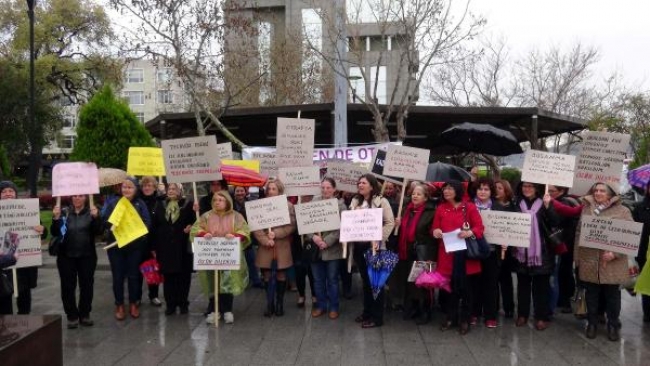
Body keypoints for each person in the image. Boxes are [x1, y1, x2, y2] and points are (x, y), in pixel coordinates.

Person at [573, 183, 633, 340]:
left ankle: (613, 325)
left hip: (612, 262)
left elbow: (630, 236)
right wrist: (577, 257)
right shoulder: (587, 209)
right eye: (596, 190)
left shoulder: (623, 211)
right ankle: (592, 323)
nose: (598, 193)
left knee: (612, 295)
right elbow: (579, 233)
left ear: (610, 194)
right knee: (591, 294)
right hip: (589, 259)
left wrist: (615, 253)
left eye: (602, 191)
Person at [191, 190, 250, 324]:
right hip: (211, 255)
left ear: (227, 201)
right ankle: (214, 310)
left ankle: (227, 309)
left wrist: (235, 236)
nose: (217, 202)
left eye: (220, 200)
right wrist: (202, 234)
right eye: (215, 200)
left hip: (228, 255)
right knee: (213, 282)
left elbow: (245, 231)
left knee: (227, 282)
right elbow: (196, 229)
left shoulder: (236, 216)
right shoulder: (206, 216)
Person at [432, 180, 483, 335]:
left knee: (466, 290)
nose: (446, 191)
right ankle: (450, 317)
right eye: (445, 189)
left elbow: (479, 228)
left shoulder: (469, 207)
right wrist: (436, 231)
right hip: (447, 254)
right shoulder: (441, 208)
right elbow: (434, 228)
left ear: (458, 191)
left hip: (465, 256)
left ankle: (465, 320)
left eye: (450, 189)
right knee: (450, 290)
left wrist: (469, 232)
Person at [349, 174, 395, 328]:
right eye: (359, 182)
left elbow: (390, 222)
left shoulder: (382, 201)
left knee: (376, 283)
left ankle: (377, 318)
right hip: (359, 246)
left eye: (364, 182)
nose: (360, 185)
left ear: (371, 185)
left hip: (375, 247)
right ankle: (367, 312)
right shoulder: (355, 201)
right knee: (365, 282)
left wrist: (378, 238)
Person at [51, 194, 102, 328]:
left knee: (87, 285)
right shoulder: (64, 212)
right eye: (75, 196)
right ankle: (72, 315)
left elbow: (99, 231)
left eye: (80, 196)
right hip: (66, 256)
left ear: (85, 198)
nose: (77, 198)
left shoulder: (91, 211)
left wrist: (96, 217)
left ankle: (85, 314)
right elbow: (55, 232)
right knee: (67, 286)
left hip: (87, 256)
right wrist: (56, 218)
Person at [103, 177, 151, 320]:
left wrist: (135, 232)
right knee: (117, 276)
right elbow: (105, 222)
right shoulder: (113, 203)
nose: (126, 190)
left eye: (130, 187)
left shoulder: (140, 204)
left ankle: (133, 303)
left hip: (134, 247)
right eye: (124, 187)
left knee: (134, 276)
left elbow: (147, 223)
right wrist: (111, 223)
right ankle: (119, 304)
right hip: (115, 246)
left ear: (135, 189)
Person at [513, 182, 558, 331]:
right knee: (523, 286)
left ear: (537, 188)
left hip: (542, 253)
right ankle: (522, 315)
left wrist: (548, 206)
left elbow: (555, 222)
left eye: (530, 186)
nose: (527, 189)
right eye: (524, 186)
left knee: (541, 287)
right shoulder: (516, 203)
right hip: (521, 252)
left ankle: (541, 317)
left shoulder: (545, 202)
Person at [0, 180, 46, 315]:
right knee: (3, 298)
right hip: (3, 267)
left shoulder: (27, 209)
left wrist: (41, 229)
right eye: (3, 191)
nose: (8, 194)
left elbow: (42, 233)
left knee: (24, 297)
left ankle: (25, 325)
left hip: (24, 265)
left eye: (10, 191)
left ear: (15, 193)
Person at [395, 182, 437, 325]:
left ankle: (426, 310)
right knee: (411, 282)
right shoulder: (406, 210)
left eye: (419, 194)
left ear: (426, 197)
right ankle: (413, 308)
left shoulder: (431, 212)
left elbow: (432, 235)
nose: (415, 196)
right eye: (413, 193)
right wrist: (398, 224)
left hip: (424, 252)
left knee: (424, 283)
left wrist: (431, 257)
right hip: (408, 251)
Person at [253, 178, 296, 317]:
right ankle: (269, 303)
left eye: (274, 189)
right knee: (266, 275)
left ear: (279, 190)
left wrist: (276, 233)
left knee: (280, 274)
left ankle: (279, 303)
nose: (271, 191)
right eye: (269, 189)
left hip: (281, 246)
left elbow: (291, 225)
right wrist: (265, 240)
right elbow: (256, 227)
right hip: (266, 247)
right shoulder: (259, 205)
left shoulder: (288, 205)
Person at [151, 183, 195, 316]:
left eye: (174, 189)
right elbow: (154, 226)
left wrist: (191, 225)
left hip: (182, 247)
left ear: (180, 191)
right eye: (169, 188)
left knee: (183, 276)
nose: (171, 191)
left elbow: (195, 222)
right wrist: (153, 246)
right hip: (165, 247)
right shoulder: (160, 205)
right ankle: (170, 304)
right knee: (168, 277)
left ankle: (183, 303)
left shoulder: (188, 205)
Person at [308, 177, 347, 320]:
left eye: (328, 187)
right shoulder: (313, 203)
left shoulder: (341, 206)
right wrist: (314, 237)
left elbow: (342, 227)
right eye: (323, 187)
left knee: (332, 280)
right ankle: (321, 306)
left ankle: (334, 307)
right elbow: (306, 223)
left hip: (332, 250)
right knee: (318, 280)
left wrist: (327, 241)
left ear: (334, 189)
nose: (325, 190)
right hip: (316, 249)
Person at [470, 178, 500, 328]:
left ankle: (490, 315)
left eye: (486, 189)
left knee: (490, 283)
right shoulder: (468, 207)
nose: (483, 192)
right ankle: (473, 313)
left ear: (491, 192)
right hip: (472, 250)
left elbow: (506, 227)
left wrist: (506, 240)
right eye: (480, 189)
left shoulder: (498, 207)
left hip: (491, 250)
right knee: (473, 283)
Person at [547, 185, 580, 314]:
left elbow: (557, 221)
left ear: (562, 191)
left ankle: (564, 300)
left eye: (552, 191)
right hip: (565, 243)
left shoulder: (564, 202)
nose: (549, 193)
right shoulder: (564, 201)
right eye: (548, 190)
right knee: (564, 272)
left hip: (564, 243)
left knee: (563, 272)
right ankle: (563, 299)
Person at [140, 176, 164, 307]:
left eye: (149, 185)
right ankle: (136, 297)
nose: (147, 188)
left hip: (153, 241)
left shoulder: (159, 201)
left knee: (152, 269)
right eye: (144, 185)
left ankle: (153, 295)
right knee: (136, 270)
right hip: (138, 241)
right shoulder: (137, 201)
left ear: (155, 187)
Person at [494, 179, 516, 318]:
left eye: (500, 188)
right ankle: (494, 306)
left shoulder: (513, 206)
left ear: (506, 191)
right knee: (493, 279)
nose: (497, 190)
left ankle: (509, 307)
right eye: (495, 188)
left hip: (508, 248)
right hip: (494, 248)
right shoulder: (491, 205)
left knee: (506, 279)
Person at [232, 186, 263, 288]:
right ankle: (241, 281)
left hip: (248, 236)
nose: (240, 193)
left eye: (242, 191)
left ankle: (256, 280)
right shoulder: (230, 204)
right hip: (234, 235)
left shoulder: (250, 204)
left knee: (251, 259)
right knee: (238, 261)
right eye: (237, 191)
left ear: (245, 192)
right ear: (234, 192)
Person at [632, 182, 650, 323]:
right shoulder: (639, 208)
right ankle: (648, 313)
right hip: (644, 251)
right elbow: (633, 230)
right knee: (646, 282)